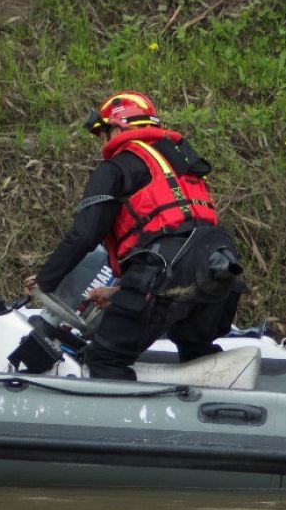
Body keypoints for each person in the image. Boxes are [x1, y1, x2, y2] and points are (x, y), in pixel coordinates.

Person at [24, 92, 246, 380]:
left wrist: (44, 281)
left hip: (166, 273)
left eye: (103, 134)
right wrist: (119, 292)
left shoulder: (118, 167)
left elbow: (85, 234)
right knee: (195, 348)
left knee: (105, 359)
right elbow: (183, 243)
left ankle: (125, 424)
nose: (103, 144)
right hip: (220, 273)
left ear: (116, 128)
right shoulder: (181, 163)